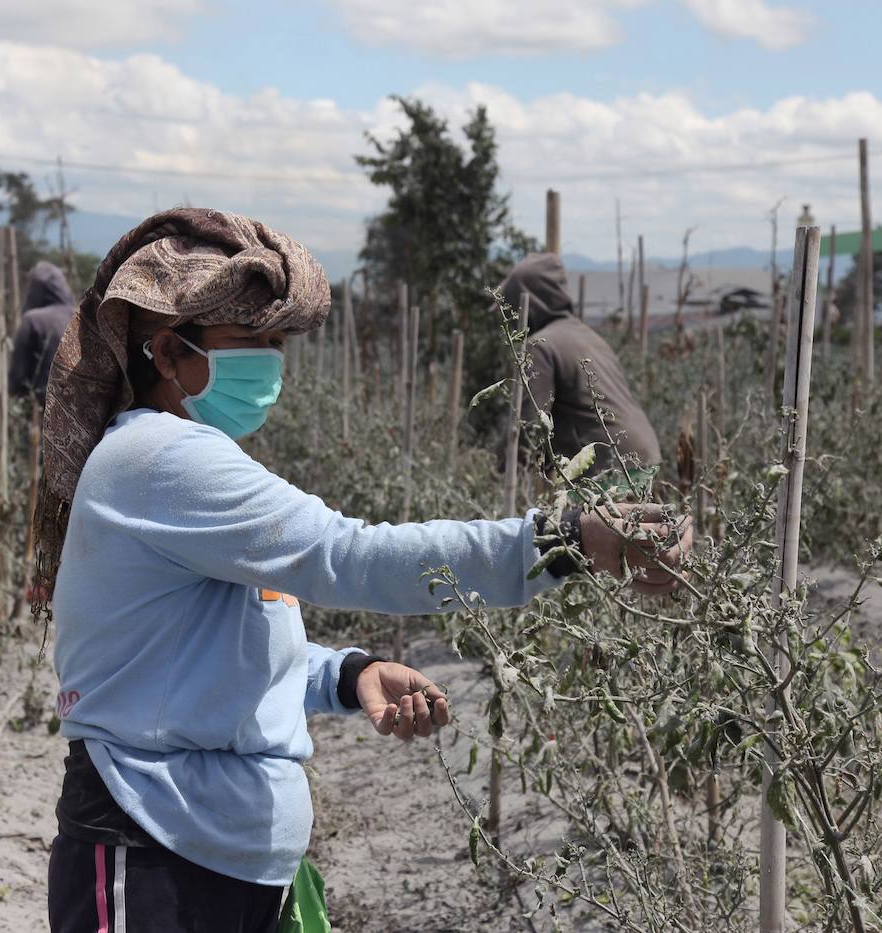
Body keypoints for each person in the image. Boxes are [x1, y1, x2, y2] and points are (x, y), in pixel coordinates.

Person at [36, 210, 691, 933]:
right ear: (165, 352)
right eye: (249, 342)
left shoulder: (190, 460)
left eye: (276, 343)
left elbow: (219, 648)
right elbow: (348, 555)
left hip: (226, 855)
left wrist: (347, 675)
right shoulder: (162, 459)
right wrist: (565, 541)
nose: (270, 363)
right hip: (153, 849)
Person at [497, 252, 662, 476]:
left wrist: (502, 474)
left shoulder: (540, 346)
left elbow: (528, 427)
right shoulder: (589, 336)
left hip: (610, 468)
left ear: (526, 307)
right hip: (644, 456)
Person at [9, 260, 76, 403]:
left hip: (42, 409)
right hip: (79, 406)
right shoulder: (80, 316)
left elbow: (18, 375)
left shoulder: (32, 320)